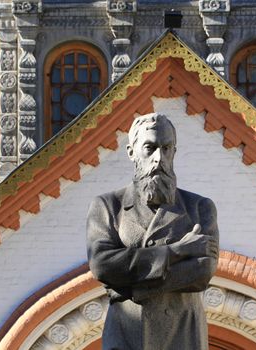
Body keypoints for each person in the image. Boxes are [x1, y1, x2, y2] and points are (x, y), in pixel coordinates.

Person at [86, 112, 219, 349]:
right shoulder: (108, 206)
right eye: (150, 148)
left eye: (167, 148)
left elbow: (201, 272)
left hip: (182, 336)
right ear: (131, 152)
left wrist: (129, 288)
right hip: (126, 336)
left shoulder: (199, 207)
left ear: (174, 152)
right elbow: (102, 264)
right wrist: (178, 251)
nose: (159, 158)